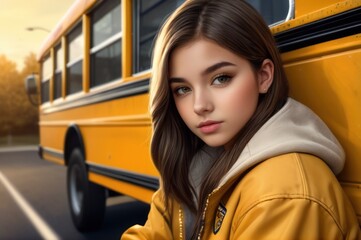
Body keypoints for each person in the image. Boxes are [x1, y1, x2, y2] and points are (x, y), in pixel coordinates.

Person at [121, 0, 360, 239]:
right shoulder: (191, 164)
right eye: (182, 89)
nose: (200, 106)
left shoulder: (285, 195)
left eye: (221, 78)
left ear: (264, 76)